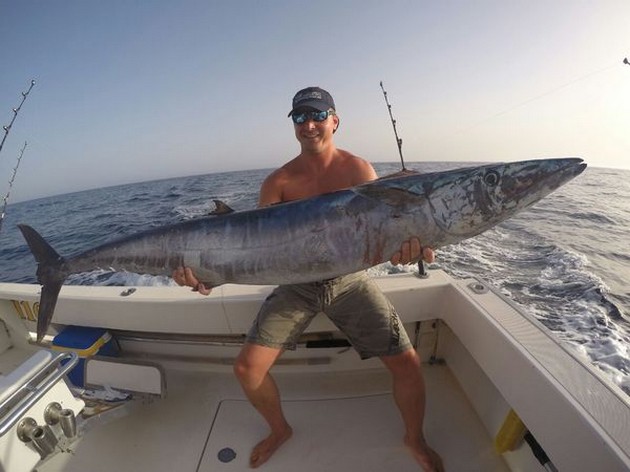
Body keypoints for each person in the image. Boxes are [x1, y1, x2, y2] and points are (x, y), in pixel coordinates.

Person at [173, 86, 444, 472]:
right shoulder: (278, 182)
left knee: (409, 364)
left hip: (349, 282)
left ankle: (414, 439)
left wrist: (408, 249)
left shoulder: (358, 171)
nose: (309, 124)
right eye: (300, 117)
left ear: (335, 121)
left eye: (318, 115)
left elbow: (380, 232)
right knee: (247, 370)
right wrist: (205, 276)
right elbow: (258, 249)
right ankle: (280, 430)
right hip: (296, 287)